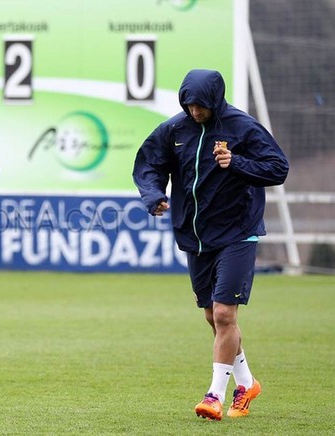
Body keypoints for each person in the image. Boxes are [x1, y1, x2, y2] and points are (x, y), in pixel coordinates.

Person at [132, 69, 289, 420]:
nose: (194, 111)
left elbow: (278, 168)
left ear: (215, 100)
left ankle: (214, 395)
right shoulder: (174, 129)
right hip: (196, 236)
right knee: (211, 316)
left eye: (200, 105)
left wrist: (237, 163)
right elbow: (149, 165)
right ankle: (246, 383)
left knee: (223, 314)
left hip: (238, 232)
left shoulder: (242, 127)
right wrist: (154, 195)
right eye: (188, 104)